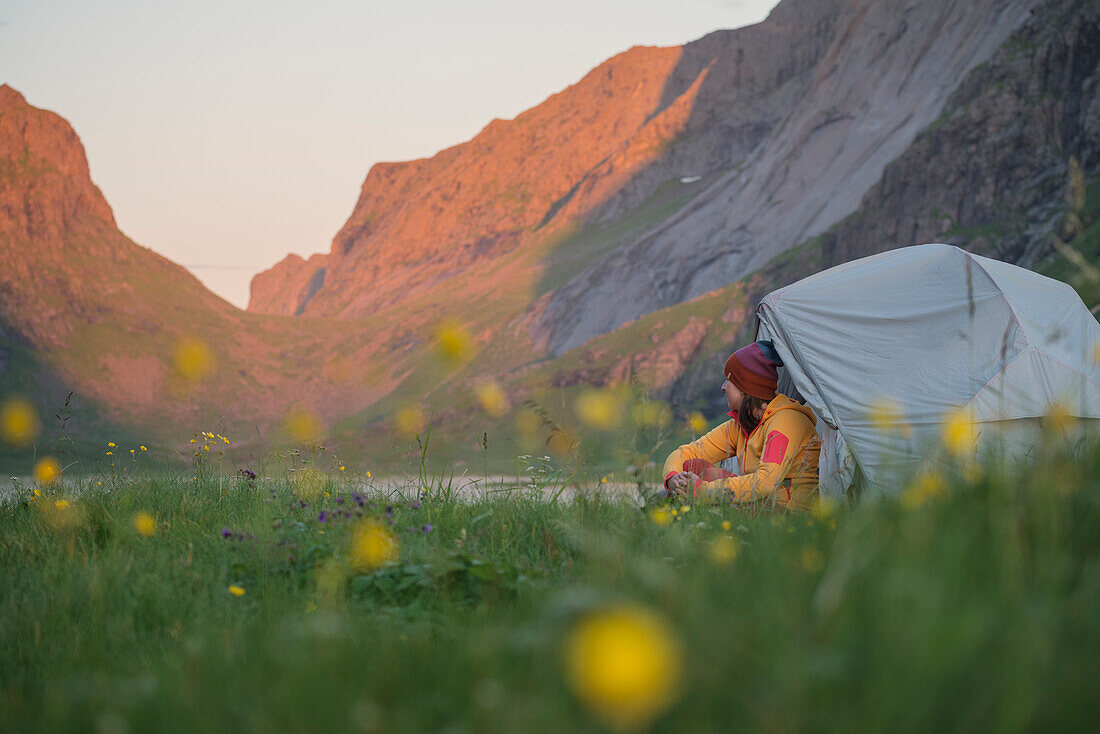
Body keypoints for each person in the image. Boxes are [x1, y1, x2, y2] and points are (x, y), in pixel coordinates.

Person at [663, 340, 820, 509]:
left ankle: (672, 524)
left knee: (705, 493)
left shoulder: (787, 421)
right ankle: (673, 523)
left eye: (729, 381)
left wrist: (703, 490)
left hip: (787, 514)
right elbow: (686, 453)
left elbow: (765, 483)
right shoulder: (740, 425)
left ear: (746, 388)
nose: (724, 387)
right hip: (757, 507)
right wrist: (673, 478)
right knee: (692, 466)